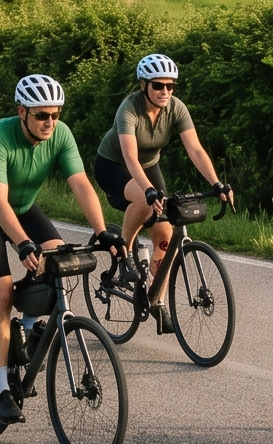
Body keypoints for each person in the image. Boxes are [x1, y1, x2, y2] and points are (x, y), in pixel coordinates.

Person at [0, 74, 118, 424]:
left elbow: (80, 183)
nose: (50, 122)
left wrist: (102, 231)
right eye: (41, 115)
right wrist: (21, 243)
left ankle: (29, 326)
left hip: (25, 207)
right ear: (22, 112)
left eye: (55, 115)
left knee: (58, 259)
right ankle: (0, 389)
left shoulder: (60, 134)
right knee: (1, 295)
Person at [91, 53, 230, 333]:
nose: (165, 91)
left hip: (149, 167)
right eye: (158, 85)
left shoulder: (176, 108)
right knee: (145, 200)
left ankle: (158, 301)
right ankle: (123, 252)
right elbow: (130, 158)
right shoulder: (129, 109)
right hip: (114, 166)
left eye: (170, 86)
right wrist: (150, 191)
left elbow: (195, 149)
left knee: (166, 237)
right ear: (144, 85)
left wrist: (217, 183)